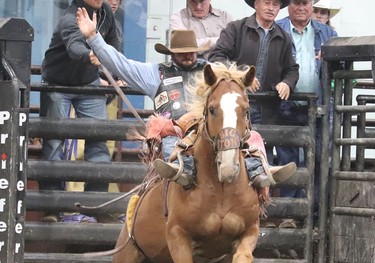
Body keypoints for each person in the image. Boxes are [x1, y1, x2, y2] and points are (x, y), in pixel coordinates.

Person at [76, 8, 296, 199]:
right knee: (173, 142)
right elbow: (121, 64)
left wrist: (242, 77)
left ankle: (259, 170)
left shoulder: (210, 70)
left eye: (191, 52)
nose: (188, 56)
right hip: (177, 132)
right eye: (182, 53)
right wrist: (94, 38)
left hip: (209, 132)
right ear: (171, 54)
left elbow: (231, 82)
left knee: (251, 137)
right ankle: (180, 170)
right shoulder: (157, 74)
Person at [40, 0, 122, 223]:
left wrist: (110, 74)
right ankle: (51, 206)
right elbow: (75, 47)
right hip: (58, 84)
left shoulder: (105, 12)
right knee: (54, 143)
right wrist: (91, 56)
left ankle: (95, 204)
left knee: (98, 141)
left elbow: (114, 40)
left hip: (89, 82)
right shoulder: (70, 18)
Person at [276, 0, 337, 221]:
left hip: (319, 106)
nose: (301, 7)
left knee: (322, 158)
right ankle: (289, 215)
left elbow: (342, 67)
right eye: (296, 3)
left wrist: (331, 59)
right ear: (289, 5)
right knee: (287, 162)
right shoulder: (277, 29)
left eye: (305, 3)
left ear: (311, 5)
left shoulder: (328, 33)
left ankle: (317, 212)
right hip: (286, 105)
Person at [208, 0, 299, 126]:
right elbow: (216, 56)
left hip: (267, 110)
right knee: (233, 143)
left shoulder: (284, 38)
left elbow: (292, 69)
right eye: (267, 3)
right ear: (256, 4)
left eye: (275, 4)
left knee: (262, 145)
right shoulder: (236, 28)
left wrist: (287, 83)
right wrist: (241, 75)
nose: (271, 8)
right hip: (233, 105)